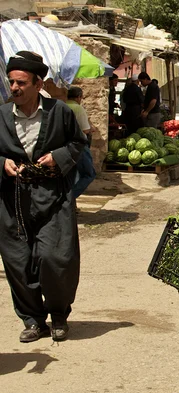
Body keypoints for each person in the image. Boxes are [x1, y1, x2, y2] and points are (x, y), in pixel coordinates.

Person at [0, 51, 87, 342]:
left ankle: (59, 314)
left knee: (55, 258)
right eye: (12, 82)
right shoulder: (0, 115)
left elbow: (78, 144)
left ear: (39, 84)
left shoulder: (59, 112)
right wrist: (2, 163)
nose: (14, 88)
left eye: (22, 83)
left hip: (53, 198)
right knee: (18, 262)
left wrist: (59, 156)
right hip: (13, 201)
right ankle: (33, 320)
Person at [66, 86, 97, 199]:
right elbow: (85, 130)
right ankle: (69, 199)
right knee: (89, 174)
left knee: (72, 175)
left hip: (64, 146)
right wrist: (91, 129)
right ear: (79, 97)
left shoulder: (62, 106)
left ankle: (70, 202)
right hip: (79, 145)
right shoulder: (78, 108)